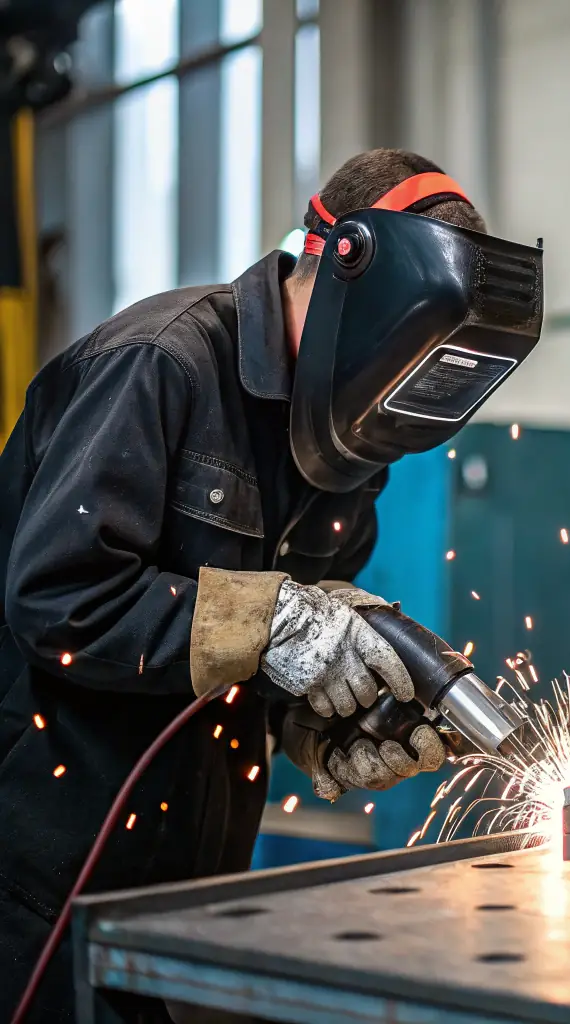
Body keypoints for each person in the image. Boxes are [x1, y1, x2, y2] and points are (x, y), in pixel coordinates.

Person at [0, 148, 507, 1022]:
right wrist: (267, 623)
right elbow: (56, 600)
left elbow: (273, 660)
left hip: (193, 885)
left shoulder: (348, 440)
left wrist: (315, 716)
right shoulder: (160, 363)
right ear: (334, 265)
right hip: (38, 882)